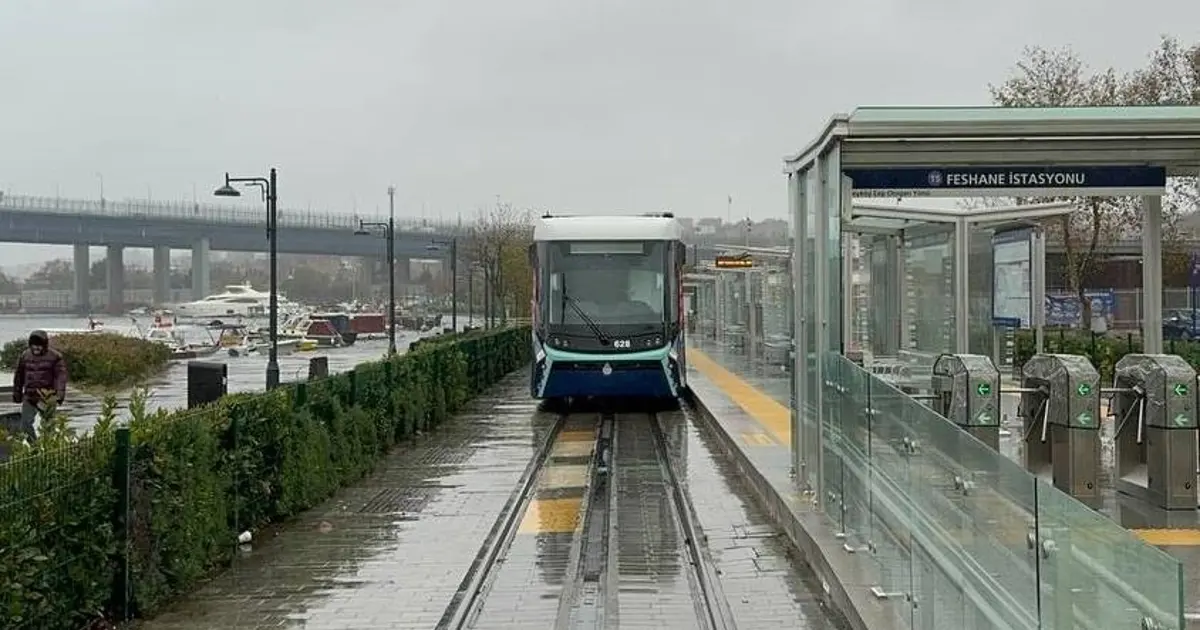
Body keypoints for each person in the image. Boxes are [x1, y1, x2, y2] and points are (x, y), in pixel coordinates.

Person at [11, 330, 67, 444]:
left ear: (44, 345)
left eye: (39, 346)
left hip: (47, 398)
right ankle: (35, 449)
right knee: (25, 425)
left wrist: (59, 395)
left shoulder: (55, 357)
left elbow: (60, 377)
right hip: (29, 397)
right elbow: (19, 376)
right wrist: (17, 393)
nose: (36, 348)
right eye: (34, 345)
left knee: (49, 427)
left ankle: (49, 450)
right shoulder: (24, 356)